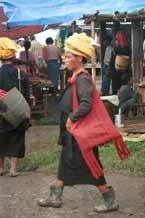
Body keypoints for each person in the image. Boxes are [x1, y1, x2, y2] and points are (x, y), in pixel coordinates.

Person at [38, 33, 130, 213]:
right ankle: (55, 196)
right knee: (66, 162)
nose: (65, 58)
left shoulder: (83, 79)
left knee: (90, 164)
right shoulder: (76, 77)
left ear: (79, 58)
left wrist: (72, 118)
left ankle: (109, 200)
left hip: (79, 133)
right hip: (73, 133)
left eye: (69, 55)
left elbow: (86, 104)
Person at [0, 37, 30, 177]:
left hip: (0, 110)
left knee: (1, 137)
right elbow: (26, 94)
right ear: (13, 56)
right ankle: (13, 169)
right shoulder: (21, 74)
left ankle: (0, 168)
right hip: (16, 110)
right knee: (17, 137)